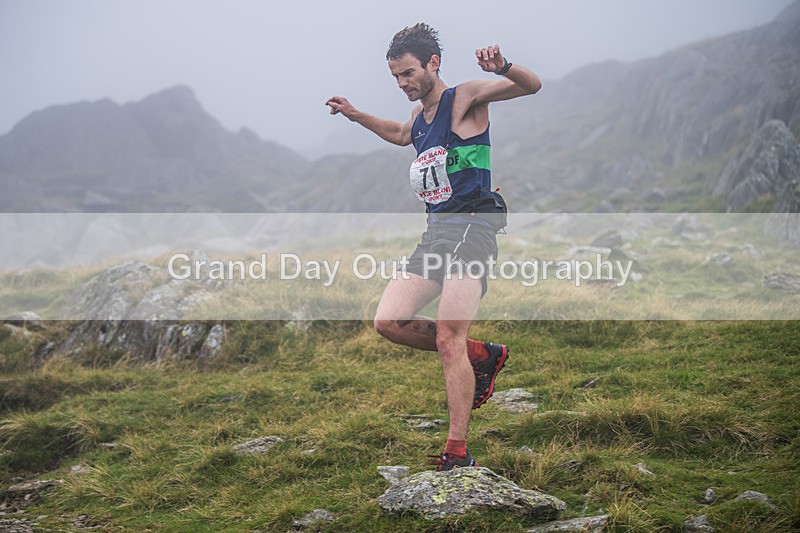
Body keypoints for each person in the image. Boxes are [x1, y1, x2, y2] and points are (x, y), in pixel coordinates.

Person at [325, 23, 541, 471]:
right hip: (438, 232)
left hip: (473, 225)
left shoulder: (462, 99)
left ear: (433, 64)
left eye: (407, 74)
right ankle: (483, 354)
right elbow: (400, 134)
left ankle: (457, 453)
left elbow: (530, 86)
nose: (402, 83)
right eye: (396, 77)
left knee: (448, 338)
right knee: (389, 321)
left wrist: (504, 66)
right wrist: (354, 114)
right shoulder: (420, 121)